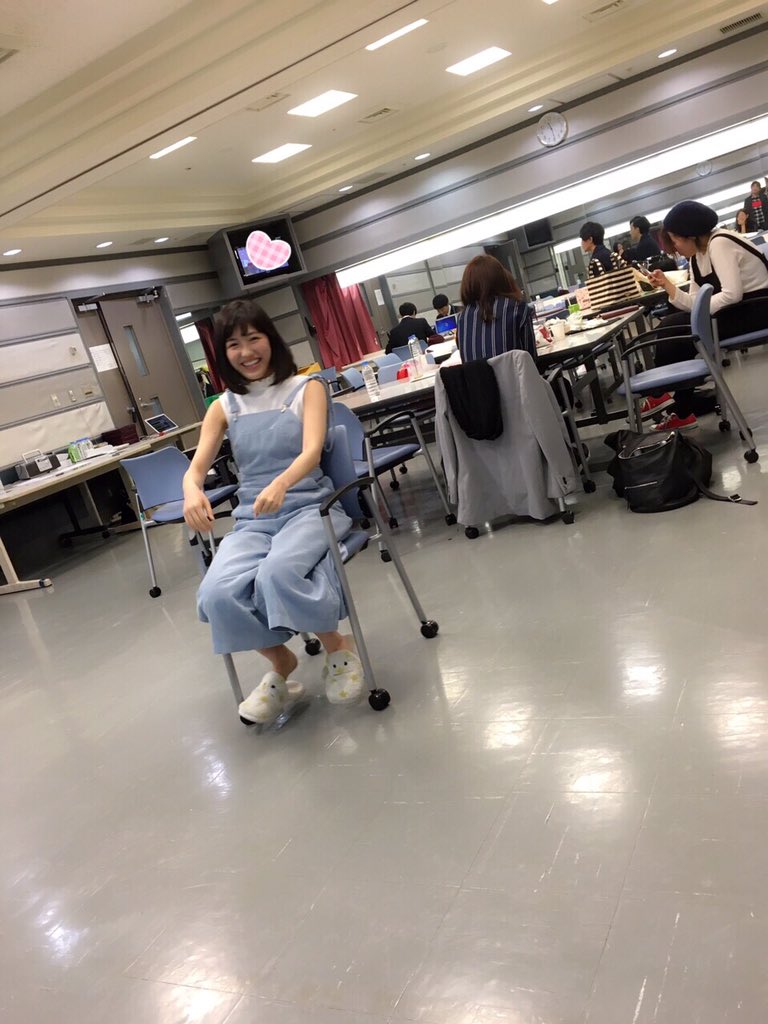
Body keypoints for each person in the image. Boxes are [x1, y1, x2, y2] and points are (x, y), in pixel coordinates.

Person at [183, 299, 363, 726]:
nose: (246, 352)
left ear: (272, 339)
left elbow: (312, 451)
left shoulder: (307, 388)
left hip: (310, 507)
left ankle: (338, 647)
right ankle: (281, 661)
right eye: (233, 344)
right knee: (216, 592)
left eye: (253, 339)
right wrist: (191, 490)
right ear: (222, 353)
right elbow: (196, 468)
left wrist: (282, 484)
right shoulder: (223, 406)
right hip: (253, 520)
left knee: (277, 573)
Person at [643, 200, 768, 431]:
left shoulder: (719, 243)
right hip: (737, 310)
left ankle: (662, 396)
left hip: (757, 309)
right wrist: (668, 285)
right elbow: (693, 303)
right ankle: (677, 406)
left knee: (676, 328)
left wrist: (698, 314)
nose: (675, 247)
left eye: (676, 240)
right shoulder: (697, 257)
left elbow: (731, 294)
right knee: (673, 327)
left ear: (690, 235)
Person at [455, 254, 536, 362]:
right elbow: (531, 359)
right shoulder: (518, 308)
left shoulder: (462, 319)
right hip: (513, 373)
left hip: (478, 374)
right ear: (502, 278)